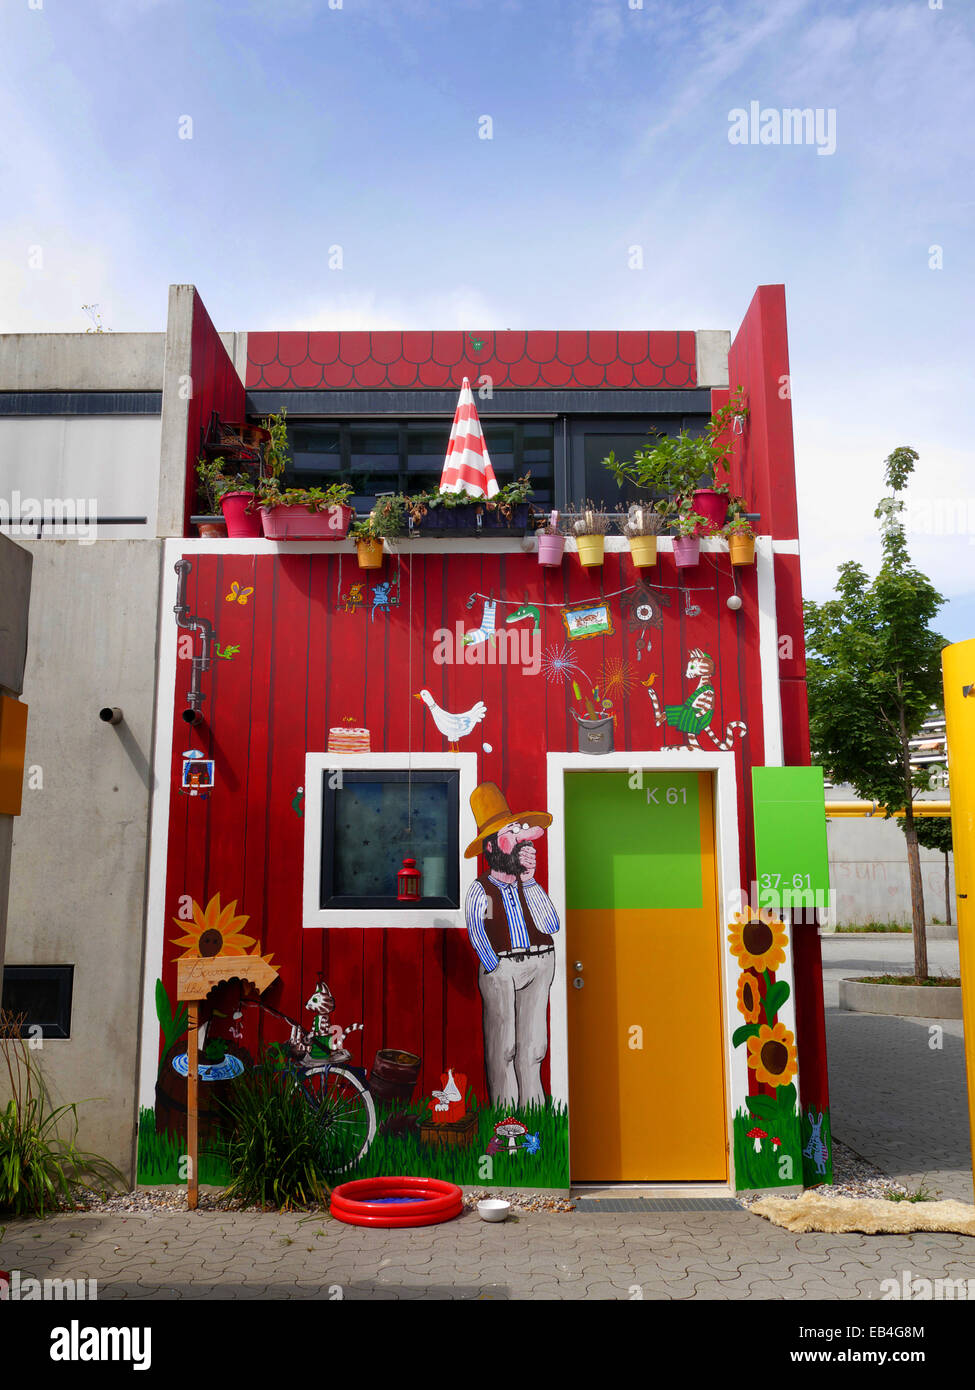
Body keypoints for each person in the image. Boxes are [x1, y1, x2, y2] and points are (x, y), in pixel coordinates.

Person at [464, 782, 560, 1108]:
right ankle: (507, 1120)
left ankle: (533, 1118)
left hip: (539, 962)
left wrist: (530, 879)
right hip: (502, 967)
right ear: (491, 848)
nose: (520, 842)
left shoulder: (528, 883)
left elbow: (550, 925)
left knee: (533, 1049)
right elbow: (477, 931)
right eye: (510, 835)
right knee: (505, 1048)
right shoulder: (481, 889)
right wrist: (494, 966)